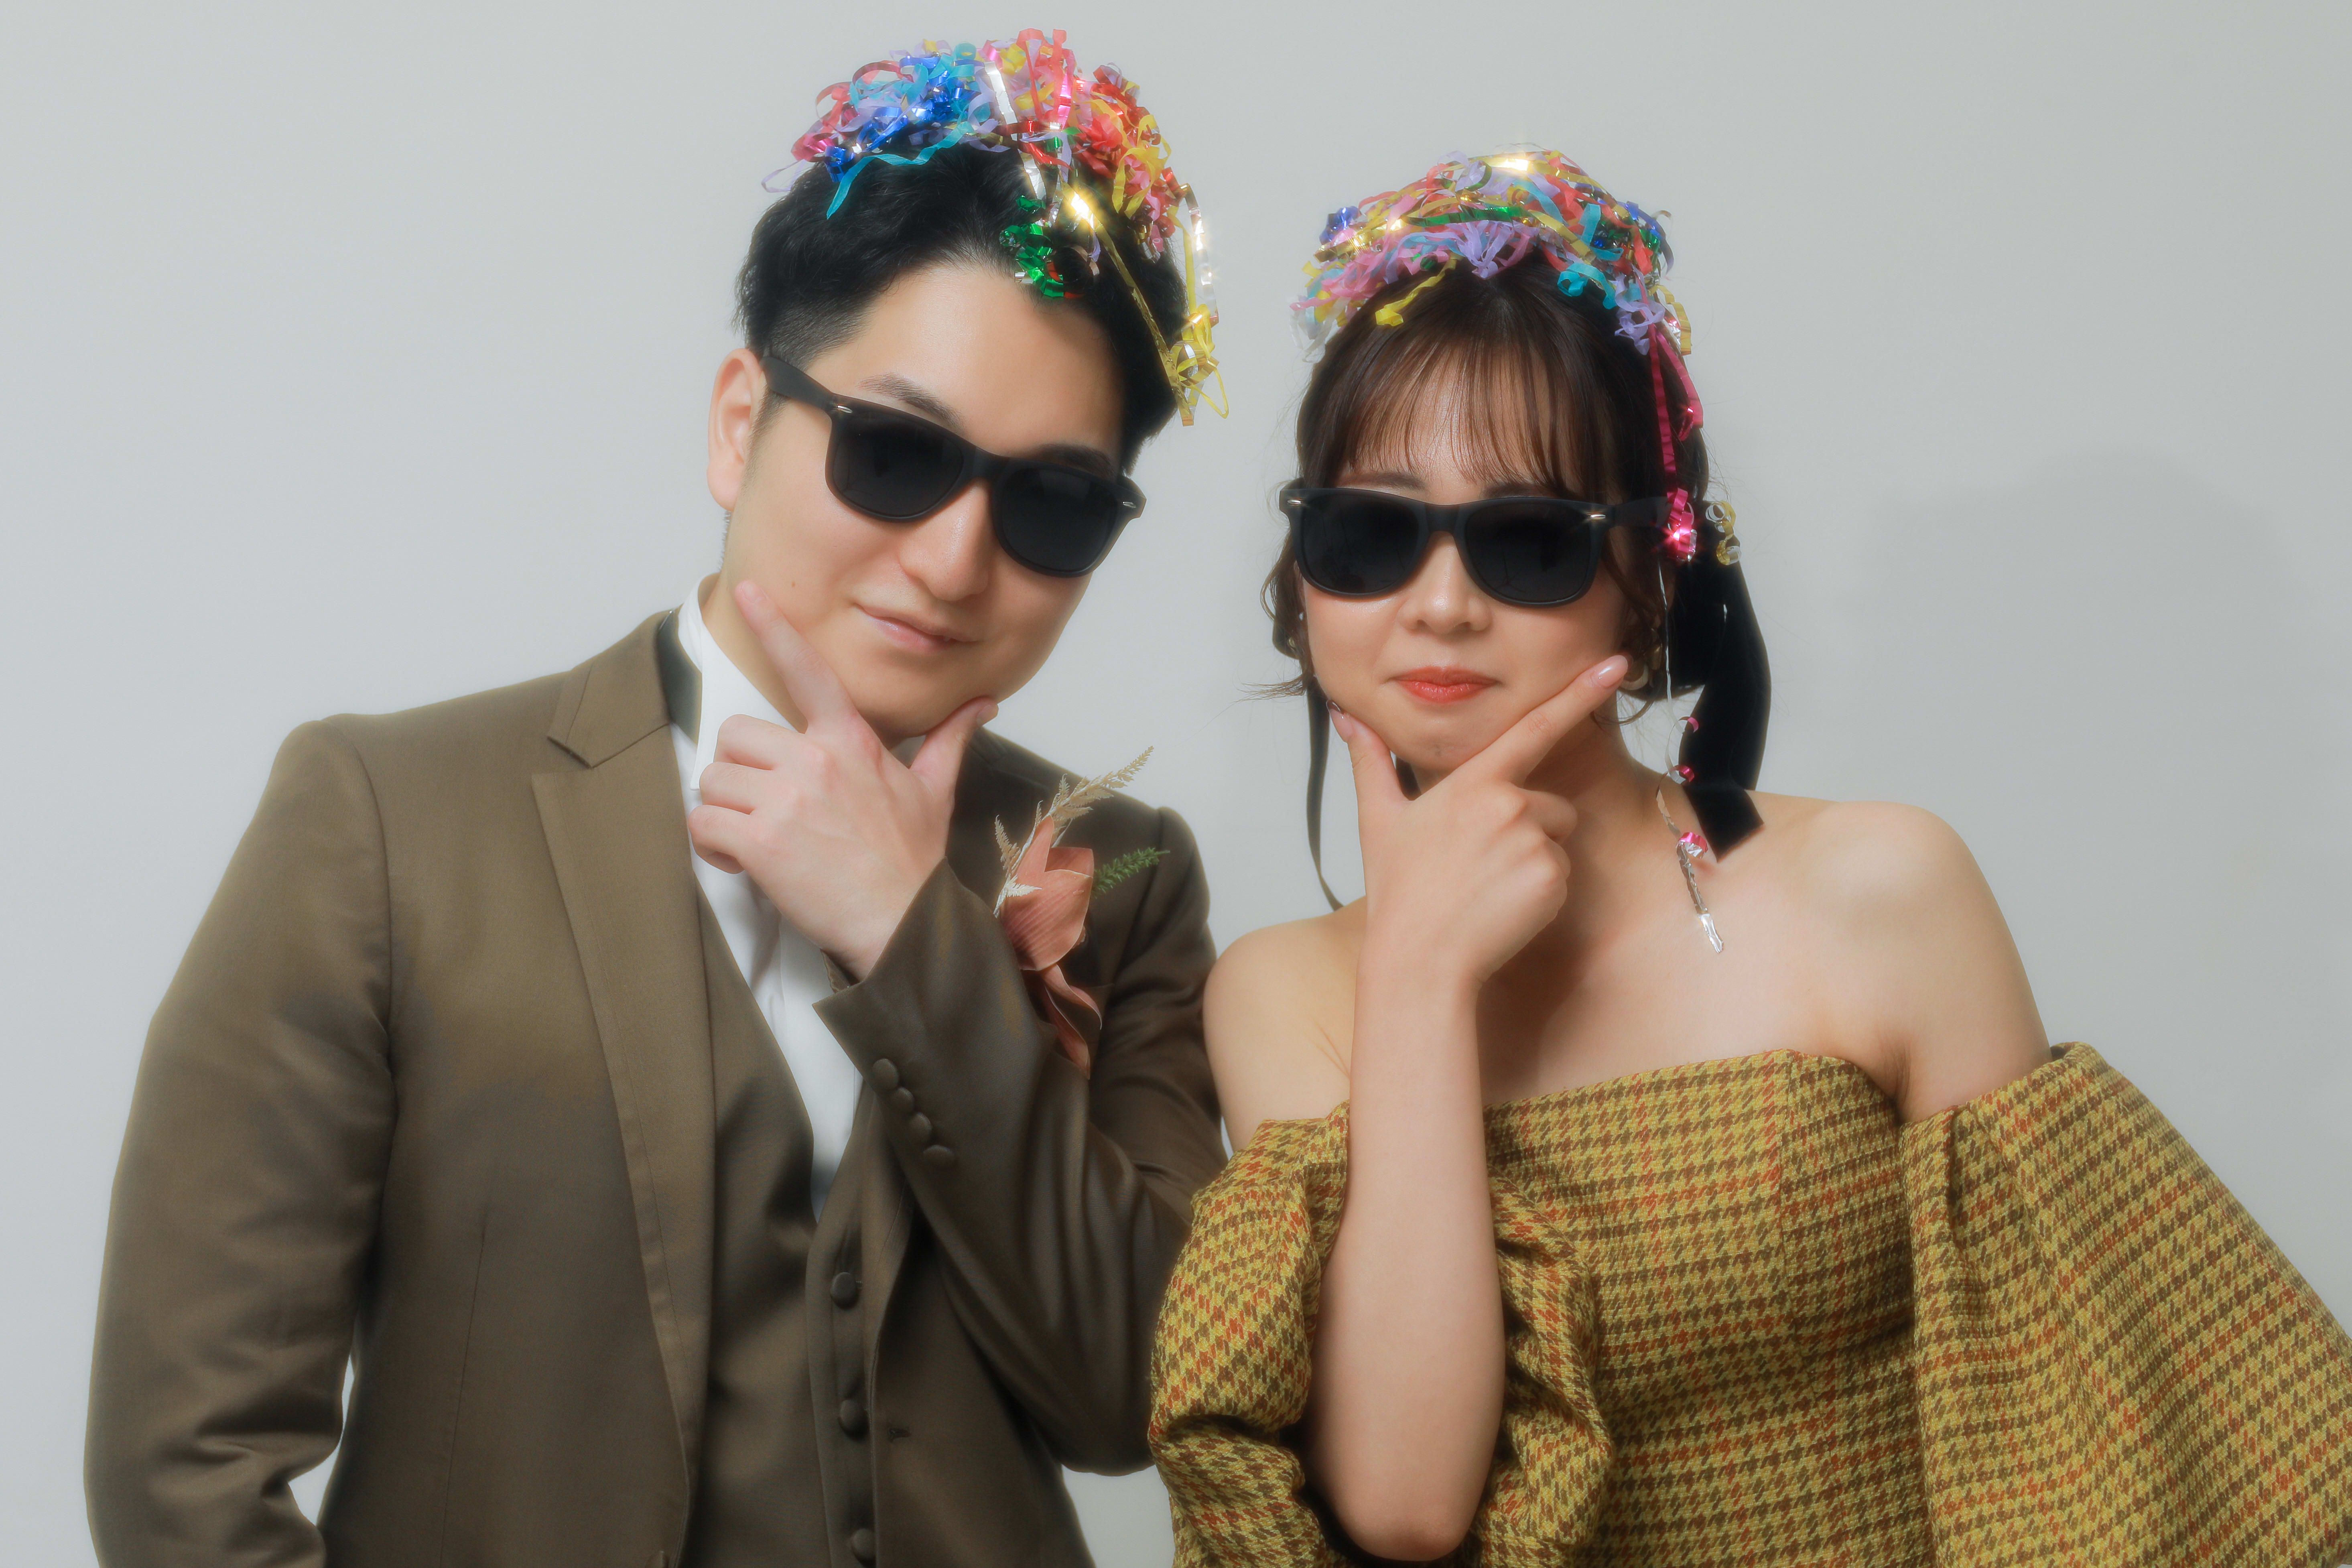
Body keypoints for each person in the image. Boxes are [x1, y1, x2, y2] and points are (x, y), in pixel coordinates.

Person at [87, 31, 1226, 1568]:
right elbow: (187, 1471)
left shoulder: (1122, 872)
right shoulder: (385, 821)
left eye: (1054, 503)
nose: (958, 558)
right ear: (739, 423)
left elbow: (1145, 1398)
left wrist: (916, 941)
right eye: (896, 454)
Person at [1148, 150, 2352, 1565]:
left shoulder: (1880, 888)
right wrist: (1416, 971)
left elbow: (2084, 1447)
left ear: (1654, 576)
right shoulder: (1280, 992)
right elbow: (1407, 1505)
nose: (1443, 604)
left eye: (1528, 540)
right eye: (1372, 533)